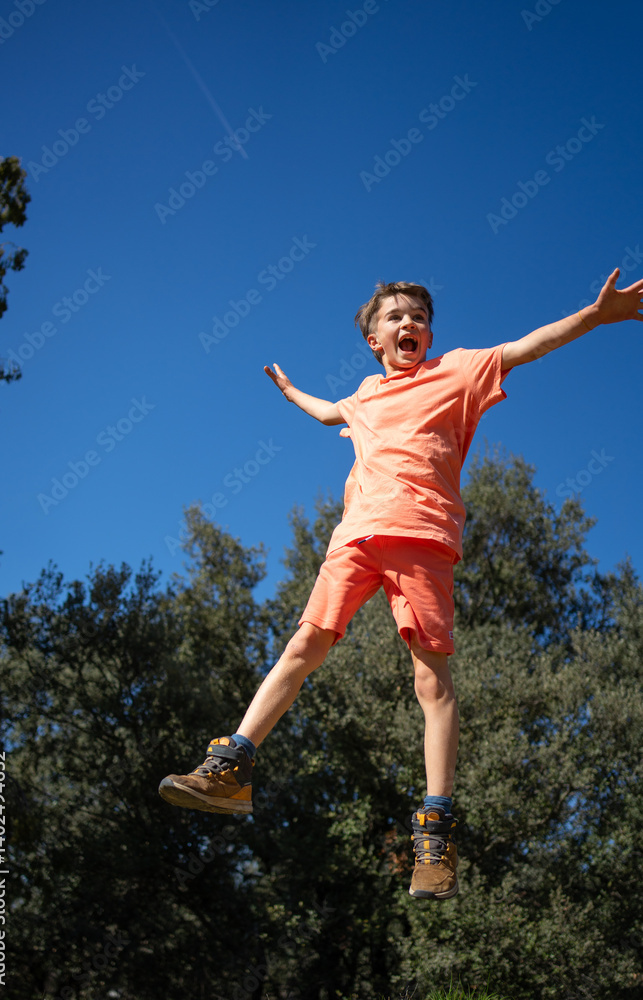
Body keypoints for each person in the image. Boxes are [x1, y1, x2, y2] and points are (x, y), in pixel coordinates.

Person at [159, 268, 643, 900]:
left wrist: (594, 316)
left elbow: (528, 346)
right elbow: (329, 412)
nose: (409, 323)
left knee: (430, 681)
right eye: (395, 317)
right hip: (354, 539)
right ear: (374, 340)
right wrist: (292, 392)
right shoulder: (364, 396)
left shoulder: (458, 371)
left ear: (429, 335)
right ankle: (231, 768)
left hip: (422, 537)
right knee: (303, 647)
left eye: (419, 317)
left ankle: (436, 835)